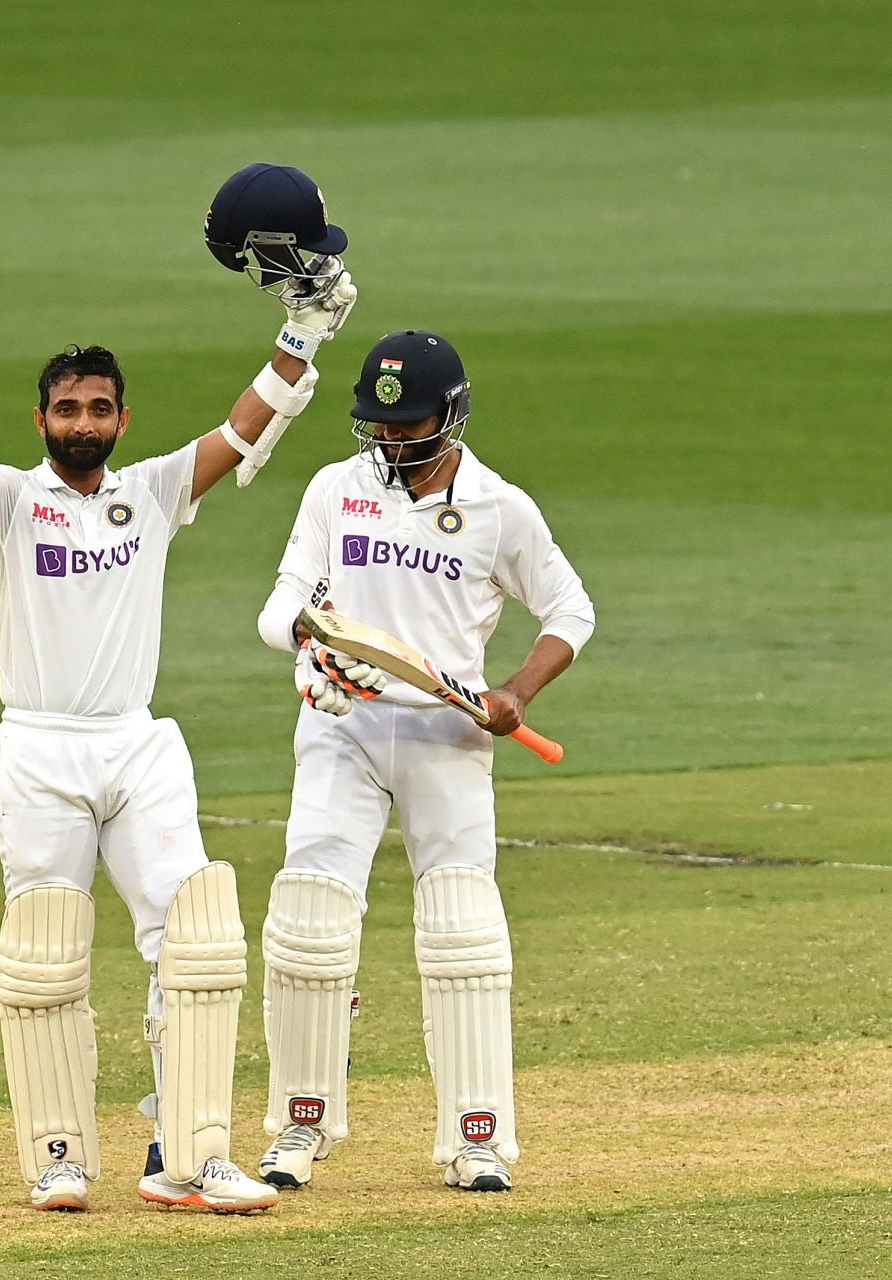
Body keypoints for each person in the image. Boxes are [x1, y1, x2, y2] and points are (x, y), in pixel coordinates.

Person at [0, 165, 356, 1214]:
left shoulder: (151, 493)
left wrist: (303, 336)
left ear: (123, 419)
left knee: (196, 934)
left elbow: (245, 428)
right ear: (41, 417)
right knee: (46, 950)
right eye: (66, 407)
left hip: (137, 745)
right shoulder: (6, 502)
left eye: (98, 408)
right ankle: (56, 1155)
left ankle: (192, 1147)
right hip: (40, 749)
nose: (82, 421)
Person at [251, 329, 596, 1194]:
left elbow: (571, 609)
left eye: (411, 427)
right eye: (381, 425)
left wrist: (517, 690)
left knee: (463, 933)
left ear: (453, 415)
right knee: (310, 921)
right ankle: (300, 1125)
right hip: (343, 729)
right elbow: (282, 604)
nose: (394, 442)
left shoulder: (499, 507)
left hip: (449, 735)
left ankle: (477, 1138)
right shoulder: (337, 489)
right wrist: (312, 652)